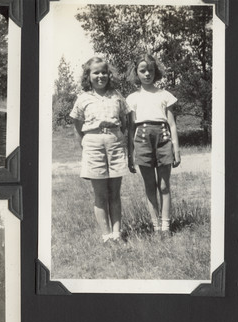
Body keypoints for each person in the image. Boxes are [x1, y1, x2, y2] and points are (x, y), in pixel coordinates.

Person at [69, 57, 131, 243]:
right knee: (100, 194)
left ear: (109, 74)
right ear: (88, 76)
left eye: (104, 72)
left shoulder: (117, 95)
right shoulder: (83, 98)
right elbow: (77, 124)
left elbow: (125, 121)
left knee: (115, 192)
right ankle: (106, 236)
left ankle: (117, 234)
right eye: (96, 72)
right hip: (93, 144)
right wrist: (85, 143)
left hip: (114, 142)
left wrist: (118, 138)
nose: (101, 76)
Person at [126, 54, 181, 234]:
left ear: (156, 72)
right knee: (150, 185)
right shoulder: (132, 98)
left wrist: (176, 149)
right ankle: (155, 225)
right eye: (143, 70)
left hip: (163, 137)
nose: (147, 74)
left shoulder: (165, 95)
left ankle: (166, 225)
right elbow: (131, 128)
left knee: (164, 185)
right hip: (142, 139)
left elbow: (172, 124)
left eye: (150, 70)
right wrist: (130, 154)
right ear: (137, 73)